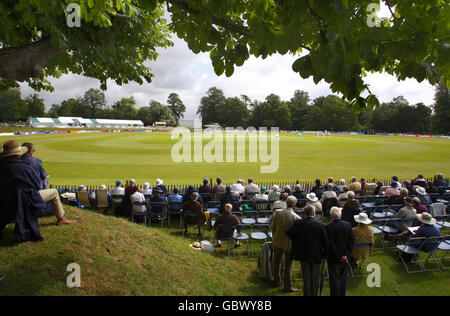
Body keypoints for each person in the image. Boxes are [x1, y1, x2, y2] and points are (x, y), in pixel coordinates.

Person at [0, 140, 71, 242]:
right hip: (25, 199)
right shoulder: (23, 167)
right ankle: (61, 218)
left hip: (5, 199)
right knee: (54, 192)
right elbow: (36, 185)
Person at [286, 206, 328, 296]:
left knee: (306, 276)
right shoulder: (320, 225)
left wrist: (296, 240)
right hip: (316, 253)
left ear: (305, 214)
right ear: (314, 214)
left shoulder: (299, 223)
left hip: (304, 253)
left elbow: (288, 233)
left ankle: (308, 294)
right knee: (314, 276)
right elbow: (325, 241)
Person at [271, 196, 301, 292]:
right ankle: (287, 286)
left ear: (286, 203)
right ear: (295, 204)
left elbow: (273, 227)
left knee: (277, 261)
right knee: (288, 265)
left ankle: (277, 280)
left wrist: (274, 236)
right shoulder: (296, 217)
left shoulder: (278, 213)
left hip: (278, 240)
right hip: (289, 243)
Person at [326, 207, 354, 296]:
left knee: (334, 280)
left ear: (331, 216)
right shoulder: (347, 225)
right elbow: (351, 242)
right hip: (342, 257)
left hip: (334, 258)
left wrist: (342, 256)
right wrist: (345, 256)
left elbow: (330, 244)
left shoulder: (328, 227)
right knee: (342, 279)